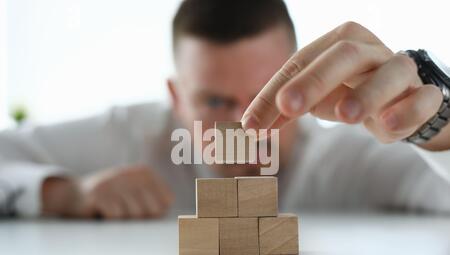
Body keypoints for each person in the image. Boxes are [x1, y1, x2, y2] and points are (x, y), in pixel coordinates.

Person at [1, 0, 449, 219]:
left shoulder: (350, 151)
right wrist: (64, 194)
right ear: (175, 98)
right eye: (216, 101)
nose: (246, 126)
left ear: (305, 86)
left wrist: (439, 129)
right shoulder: (128, 136)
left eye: (270, 94)